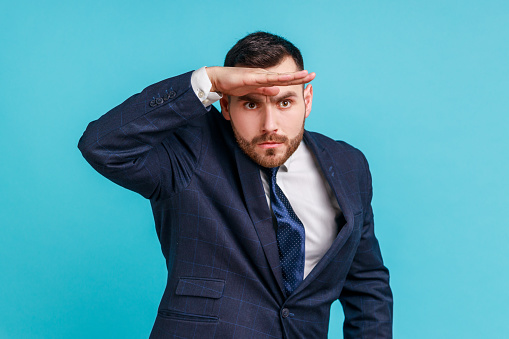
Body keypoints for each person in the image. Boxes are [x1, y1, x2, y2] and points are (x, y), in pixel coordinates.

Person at [78, 31, 393, 338]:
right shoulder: (193, 151)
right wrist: (207, 83)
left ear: (306, 100)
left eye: (285, 103)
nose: (270, 126)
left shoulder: (348, 164)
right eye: (251, 105)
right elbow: (101, 147)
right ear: (226, 106)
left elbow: (366, 283)